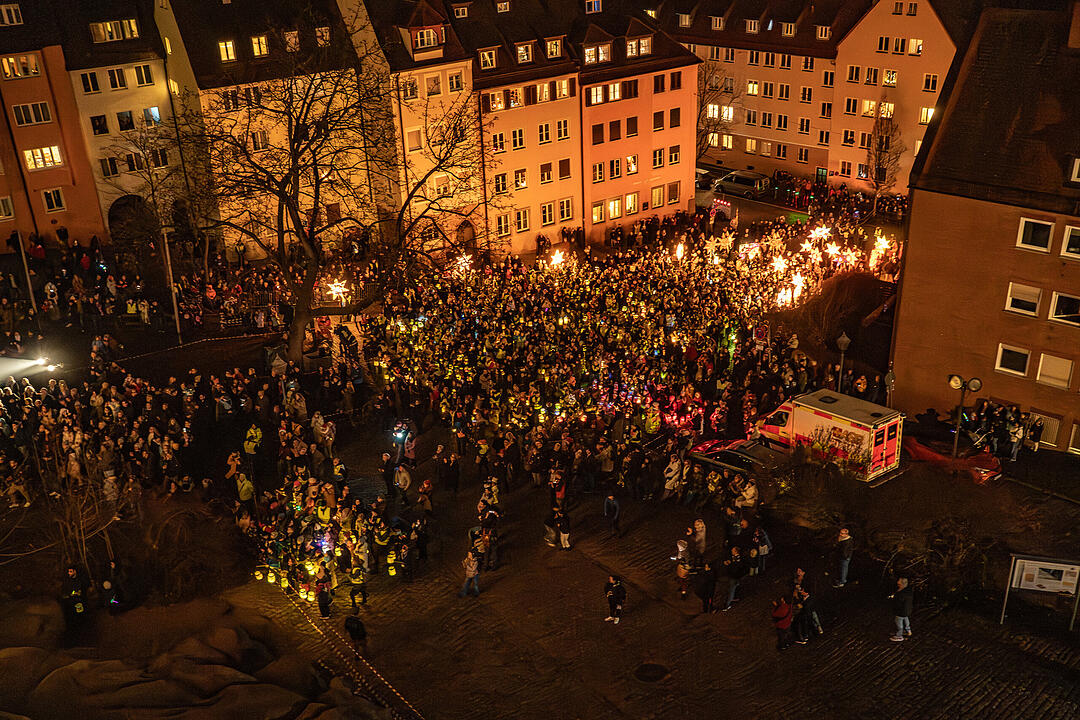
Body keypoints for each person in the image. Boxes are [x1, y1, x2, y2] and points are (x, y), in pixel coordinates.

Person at [889, 577, 914, 642]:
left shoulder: (901, 593)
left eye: (899, 582)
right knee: (906, 620)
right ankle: (908, 631)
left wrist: (893, 598)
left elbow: (898, 602)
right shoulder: (908, 591)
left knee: (899, 623)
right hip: (907, 610)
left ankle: (899, 635)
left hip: (901, 612)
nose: (897, 582)